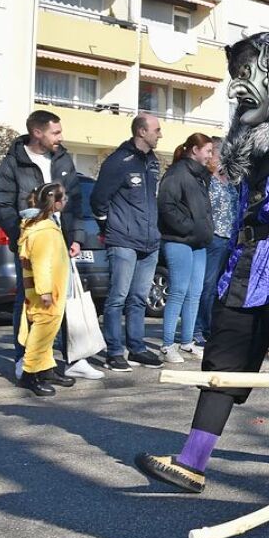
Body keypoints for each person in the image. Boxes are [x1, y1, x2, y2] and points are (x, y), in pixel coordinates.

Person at [135, 32, 269, 492]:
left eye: (246, 76)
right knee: (224, 356)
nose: (235, 88)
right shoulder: (246, 141)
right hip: (246, 265)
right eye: (234, 78)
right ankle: (192, 462)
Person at [0, 110, 97, 380]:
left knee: (61, 301)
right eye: (55, 132)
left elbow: (74, 200)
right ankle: (25, 361)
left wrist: (76, 236)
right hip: (31, 243)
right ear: (37, 132)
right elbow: (3, 203)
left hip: (60, 240)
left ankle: (69, 360)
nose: (60, 137)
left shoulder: (62, 158)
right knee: (30, 302)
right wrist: (22, 234)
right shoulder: (13, 163)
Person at [91, 114, 164, 371]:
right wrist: (108, 226)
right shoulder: (118, 161)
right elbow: (99, 199)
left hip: (149, 242)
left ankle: (138, 348)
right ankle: (114, 351)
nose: (160, 134)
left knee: (138, 298)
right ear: (141, 131)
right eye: (156, 130)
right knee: (117, 297)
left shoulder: (153, 162)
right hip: (123, 240)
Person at [157, 133, 214, 363]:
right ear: (194, 150)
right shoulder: (177, 174)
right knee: (178, 291)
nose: (211, 155)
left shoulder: (200, 177)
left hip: (198, 243)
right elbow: (167, 206)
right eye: (208, 150)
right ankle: (167, 344)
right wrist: (188, 228)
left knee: (194, 293)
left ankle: (187, 341)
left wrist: (202, 231)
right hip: (179, 241)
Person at [16, 183, 75, 396]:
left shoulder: (47, 225)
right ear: (55, 203)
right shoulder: (43, 231)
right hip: (46, 293)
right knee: (41, 334)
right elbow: (40, 264)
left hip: (51, 291)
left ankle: (46, 369)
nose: (66, 201)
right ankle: (30, 374)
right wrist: (45, 291)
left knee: (49, 333)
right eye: (64, 198)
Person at [195, 137, 239, 345]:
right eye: (222, 155)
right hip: (214, 237)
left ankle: (213, 326)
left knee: (221, 286)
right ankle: (201, 327)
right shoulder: (207, 180)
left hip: (229, 238)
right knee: (208, 284)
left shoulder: (229, 181)